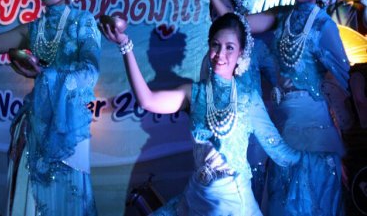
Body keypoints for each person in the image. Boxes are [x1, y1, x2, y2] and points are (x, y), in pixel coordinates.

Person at [179, 0, 349, 216]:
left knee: (308, 203)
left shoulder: (323, 26)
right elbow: (238, 23)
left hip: (314, 130)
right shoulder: (283, 15)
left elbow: (349, 79)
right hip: (285, 127)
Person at [99, 12, 302, 215]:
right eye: (215, 45)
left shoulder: (248, 97)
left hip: (231, 203)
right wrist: (125, 45)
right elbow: (147, 100)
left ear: (241, 53)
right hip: (197, 196)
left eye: (229, 47)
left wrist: (313, 160)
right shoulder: (194, 92)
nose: (220, 54)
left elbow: (277, 148)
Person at [0, 0, 100, 215]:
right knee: (30, 200)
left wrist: (46, 75)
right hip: (36, 124)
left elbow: (90, 71)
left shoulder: (82, 22)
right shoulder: (34, 28)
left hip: (68, 128)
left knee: (67, 200)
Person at [198, 0, 276, 206]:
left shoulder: (257, 48)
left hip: (254, 129)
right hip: (225, 133)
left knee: (256, 183)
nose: (219, 15)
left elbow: (277, 76)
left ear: (239, 15)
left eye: (225, 10)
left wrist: (282, 88)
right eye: (214, 12)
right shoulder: (210, 58)